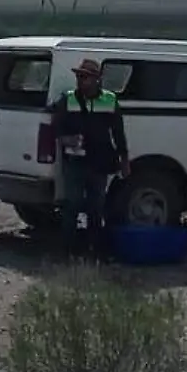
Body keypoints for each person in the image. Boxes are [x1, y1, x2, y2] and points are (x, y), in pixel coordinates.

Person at [47, 58, 130, 259]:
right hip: (75, 162)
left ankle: (94, 251)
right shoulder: (68, 99)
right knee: (71, 206)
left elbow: (118, 132)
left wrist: (124, 159)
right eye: (78, 76)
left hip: (100, 163)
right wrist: (66, 139)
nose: (80, 80)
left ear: (96, 80)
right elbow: (55, 126)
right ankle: (67, 251)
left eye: (84, 77)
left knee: (96, 208)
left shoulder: (109, 100)